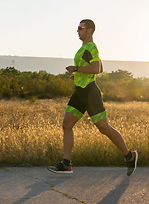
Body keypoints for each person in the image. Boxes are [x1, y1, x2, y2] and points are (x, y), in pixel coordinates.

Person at [47, 19, 138, 176]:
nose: (77, 31)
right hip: (80, 93)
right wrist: (78, 73)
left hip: (90, 93)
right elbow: (100, 67)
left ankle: (130, 156)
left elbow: (96, 68)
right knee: (67, 125)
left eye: (80, 28)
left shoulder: (91, 47)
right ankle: (66, 164)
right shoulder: (84, 48)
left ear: (88, 30)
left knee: (104, 128)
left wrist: (76, 68)